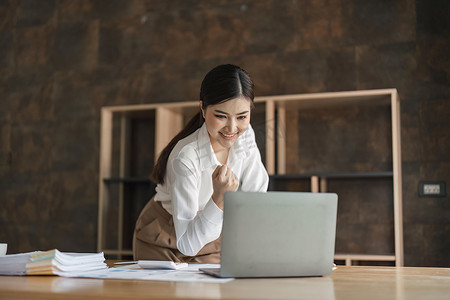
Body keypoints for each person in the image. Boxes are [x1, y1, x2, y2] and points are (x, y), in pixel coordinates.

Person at [133, 64, 269, 263]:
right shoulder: (186, 157)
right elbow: (187, 244)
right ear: (203, 109)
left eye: (242, 116)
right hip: (162, 236)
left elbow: (256, 202)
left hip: (211, 235)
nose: (232, 128)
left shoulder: (246, 136)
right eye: (221, 116)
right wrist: (219, 197)